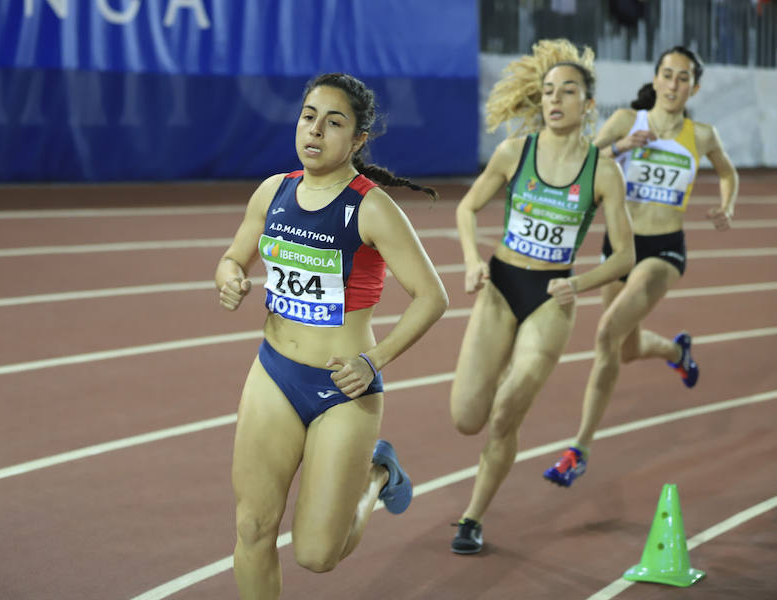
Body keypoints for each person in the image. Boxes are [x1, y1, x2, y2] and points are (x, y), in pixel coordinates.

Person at [215, 72, 448, 598]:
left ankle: (377, 475)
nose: (315, 130)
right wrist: (229, 276)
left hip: (343, 388)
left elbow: (434, 297)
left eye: (334, 122)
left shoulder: (372, 207)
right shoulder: (274, 191)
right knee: (252, 527)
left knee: (318, 555)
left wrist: (374, 361)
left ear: (358, 139)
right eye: (308, 116)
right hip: (274, 372)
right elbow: (233, 256)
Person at [448, 39, 635, 554]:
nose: (555, 100)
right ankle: (503, 369)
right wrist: (470, 261)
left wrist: (579, 283)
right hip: (502, 286)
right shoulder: (516, 153)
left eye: (568, 91)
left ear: (588, 105)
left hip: (553, 298)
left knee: (508, 408)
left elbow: (624, 257)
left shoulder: (602, 172)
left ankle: (472, 517)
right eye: (549, 91)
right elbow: (466, 209)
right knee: (466, 418)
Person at [543, 46, 739, 488]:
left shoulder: (702, 134)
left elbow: (727, 172)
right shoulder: (625, 122)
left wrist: (727, 205)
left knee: (605, 333)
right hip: (619, 249)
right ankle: (676, 352)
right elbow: (576, 165)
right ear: (656, 79)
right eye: (667, 75)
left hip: (664, 251)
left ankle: (579, 449)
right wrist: (618, 147)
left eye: (682, 78)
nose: (673, 84)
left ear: (694, 87)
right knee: (625, 349)